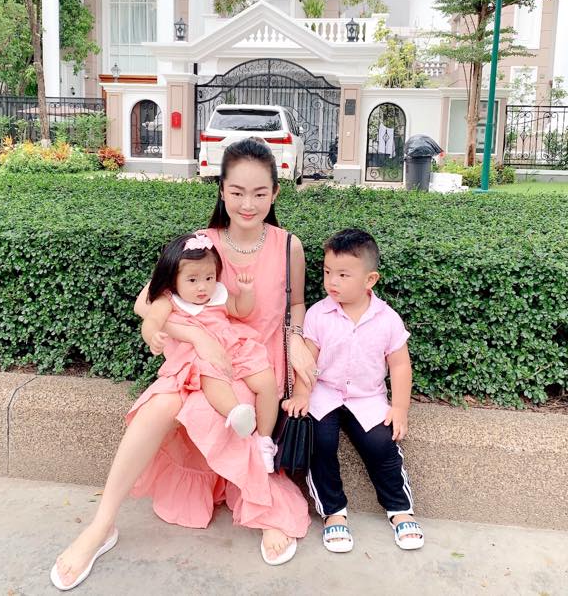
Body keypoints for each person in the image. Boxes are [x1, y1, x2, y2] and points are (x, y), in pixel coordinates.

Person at [51, 137, 316, 590]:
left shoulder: (289, 245)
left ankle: (263, 503)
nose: (247, 204)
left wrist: (297, 343)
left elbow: (295, 306)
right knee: (157, 405)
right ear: (221, 190)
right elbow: (147, 303)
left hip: (255, 361)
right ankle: (101, 525)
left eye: (259, 193)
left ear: (275, 192)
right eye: (237, 192)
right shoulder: (202, 244)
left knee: (243, 411)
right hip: (196, 359)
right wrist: (195, 335)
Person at [282, 228, 424, 553]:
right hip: (324, 393)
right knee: (320, 442)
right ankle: (333, 512)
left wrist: (400, 408)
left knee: (382, 445)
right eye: (327, 272)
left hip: (367, 397)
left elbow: (400, 365)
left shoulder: (387, 319)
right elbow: (308, 361)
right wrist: (302, 394)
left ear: (370, 280)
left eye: (343, 275)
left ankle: (400, 508)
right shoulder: (318, 314)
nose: (332, 281)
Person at [141, 230, 279, 469]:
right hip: (201, 355)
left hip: (234, 346)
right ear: (173, 278)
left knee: (267, 381)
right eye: (192, 280)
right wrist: (153, 336)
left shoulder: (218, 294)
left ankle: (265, 440)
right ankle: (235, 412)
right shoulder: (169, 299)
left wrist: (246, 292)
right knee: (210, 377)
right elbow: (151, 321)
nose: (203, 287)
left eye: (209, 277)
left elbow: (240, 310)